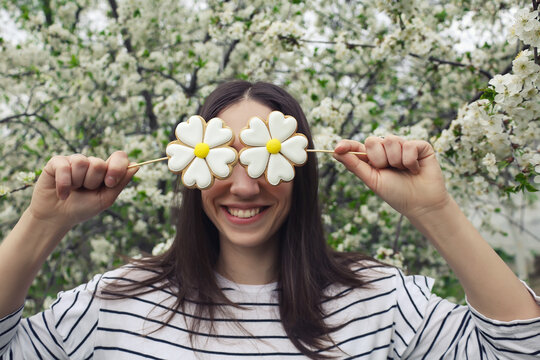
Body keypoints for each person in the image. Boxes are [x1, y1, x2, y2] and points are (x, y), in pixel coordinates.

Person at [0, 81, 539, 360]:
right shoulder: (113, 305)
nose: (244, 184)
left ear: (299, 166)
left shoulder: (382, 304)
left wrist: (433, 210)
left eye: (263, 158)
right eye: (222, 158)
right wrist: (43, 222)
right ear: (190, 165)